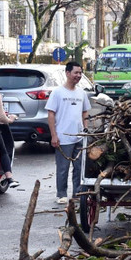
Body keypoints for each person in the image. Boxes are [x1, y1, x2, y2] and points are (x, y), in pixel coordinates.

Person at [46, 61, 91, 205]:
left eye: (80, 73)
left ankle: (77, 193)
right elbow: (51, 114)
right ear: (67, 73)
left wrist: (85, 129)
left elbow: (85, 112)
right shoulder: (58, 92)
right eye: (75, 73)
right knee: (63, 168)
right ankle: (61, 194)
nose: (78, 75)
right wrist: (54, 135)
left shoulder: (81, 93)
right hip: (63, 136)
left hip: (79, 137)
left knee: (79, 167)